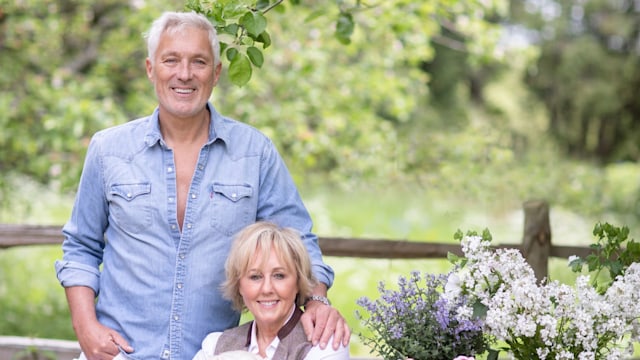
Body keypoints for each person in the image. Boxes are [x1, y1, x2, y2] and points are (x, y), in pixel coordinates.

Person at [55, 10, 349, 360]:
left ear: (216, 73)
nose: (184, 74)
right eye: (171, 60)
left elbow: (298, 239)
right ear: (151, 69)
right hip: (119, 354)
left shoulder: (254, 153)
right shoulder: (108, 150)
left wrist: (316, 299)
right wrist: (85, 326)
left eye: (198, 61)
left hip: (212, 353)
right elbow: (80, 248)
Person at [193, 222, 350, 360]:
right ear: (239, 285)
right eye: (255, 277)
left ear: (298, 281)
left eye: (279, 275)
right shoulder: (215, 345)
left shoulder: (325, 344)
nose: (267, 289)